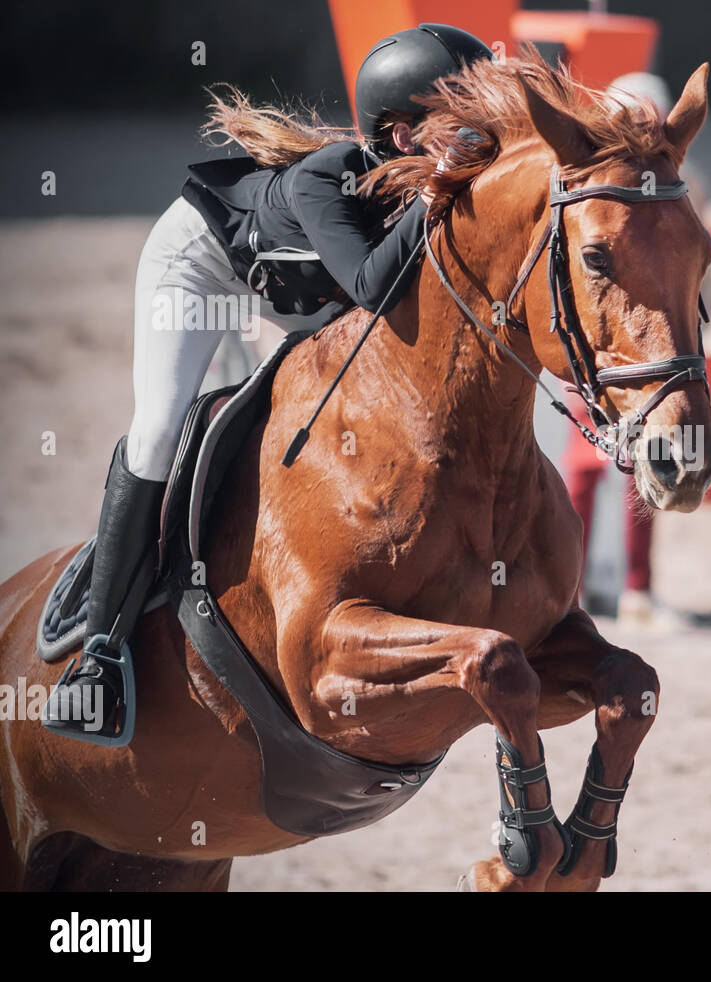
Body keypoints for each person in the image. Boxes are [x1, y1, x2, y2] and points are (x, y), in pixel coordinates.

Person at [46, 24, 493, 741]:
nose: (481, 144)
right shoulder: (329, 175)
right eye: (465, 127)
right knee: (162, 424)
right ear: (406, 136)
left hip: (303, 294)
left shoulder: (430, 179)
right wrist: (437, 193)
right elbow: (375, 287)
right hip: (203, 268)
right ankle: (97, 656)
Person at [562, 72, 711, 628]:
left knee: (653, 463)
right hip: (606, 343)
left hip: (665, 342)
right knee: (583, 467)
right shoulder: (592, 181)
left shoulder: (685, 179)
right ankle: (570, 598)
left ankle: (637, 590)